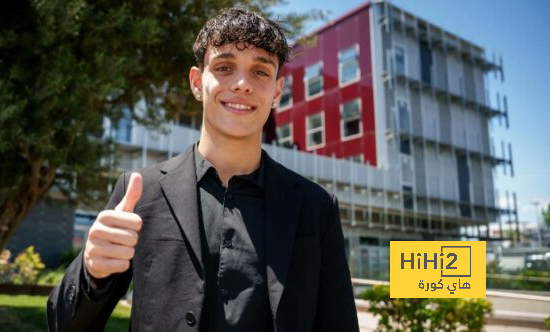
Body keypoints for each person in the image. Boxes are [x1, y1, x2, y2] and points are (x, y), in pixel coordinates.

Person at [47, 7, 359, 332]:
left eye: (260, 72)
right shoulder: (140, 192)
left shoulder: (316, 206)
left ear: (277, 92)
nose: (242, 84)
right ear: (197, 83)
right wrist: (91, 271)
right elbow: (64, 326)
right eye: (224, 67)